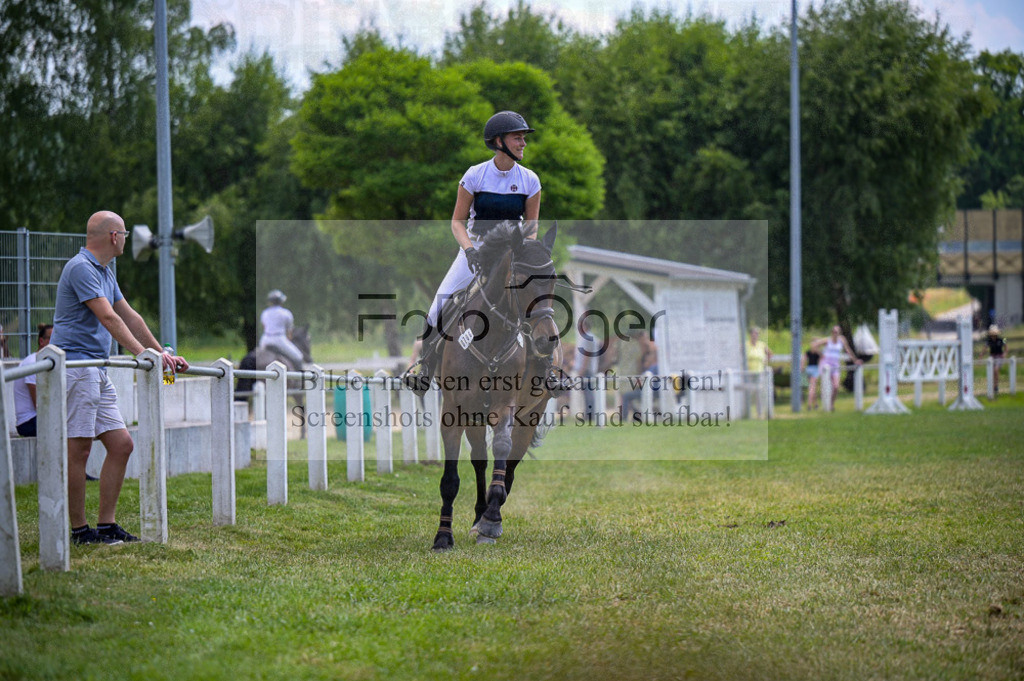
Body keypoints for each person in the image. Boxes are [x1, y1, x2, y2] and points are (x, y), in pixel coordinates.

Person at [49, 210, 188, 546]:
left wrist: (160, 354)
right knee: (80, 451)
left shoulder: (104, 271)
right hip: (76, 368)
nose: (125, 239)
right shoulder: (81, 268)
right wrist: (140, 354)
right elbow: (109, 318)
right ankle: (81, 531)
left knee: (122, 445)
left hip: (96, 367)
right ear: (114, 236)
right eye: (123, 233)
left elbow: (129, 316)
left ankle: (107, 525)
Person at [412, 110, 542, 384]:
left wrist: (524, 260)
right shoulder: (475, 175)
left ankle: (548, 372)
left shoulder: (530, 180)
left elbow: (531, 229)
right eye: (517, 138)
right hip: (475, 252)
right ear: (499, 141)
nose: (523, 143)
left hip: (512, 255)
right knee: (437, 309)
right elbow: (457, 222)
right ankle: (424, 370)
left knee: (538, 308)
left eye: (523, 138)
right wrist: (469, 250)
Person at [12, 323, 53, 437]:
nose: (56, 343)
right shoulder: (33, 363)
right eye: (52, 339)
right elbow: (38, 404)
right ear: (41, 341)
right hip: (28, 422)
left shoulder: (46, 363)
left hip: (36, 419)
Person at [810, 325, 861, 411]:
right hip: (825, 365)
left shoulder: (842, 340)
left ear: (839, 333)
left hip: (835, 365)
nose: (835, 334)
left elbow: (848, 350)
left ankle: (831, 404)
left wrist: (855, 360)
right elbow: (814, 345)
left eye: (837, 332)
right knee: (825, 386)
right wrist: (821, 354)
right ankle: (824, 405)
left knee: (836, 386)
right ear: (831, 333)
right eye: (834, 332)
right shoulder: (827, 340)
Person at [259, 290, 304, 365]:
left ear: (270, 302)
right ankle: (298, 376)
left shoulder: (265, 313)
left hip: (265, 339)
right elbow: (289, 333)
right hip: (279, 339)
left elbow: (264, 327)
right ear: (281, 302)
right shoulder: (286, 313)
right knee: (298, 357)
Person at [986, 324, 1007, 394]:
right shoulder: (989, 341)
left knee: (996, 370)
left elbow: (1006, 347)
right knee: (992, 371)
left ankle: (996, 385)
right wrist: (981, 355)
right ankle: (993, 386)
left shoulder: (1002, 340)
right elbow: (984, 348)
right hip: (992, 357)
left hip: (999, 357)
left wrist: (1004, 354)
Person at [804, 344, 821, 410]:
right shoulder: (810, 352)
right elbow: (823, 357)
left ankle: (816, 404)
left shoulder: (812, 352)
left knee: (812, 388)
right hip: (814, 370)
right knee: (812, 388)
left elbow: (803, 360)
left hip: (809, 369)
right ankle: (809, 405)